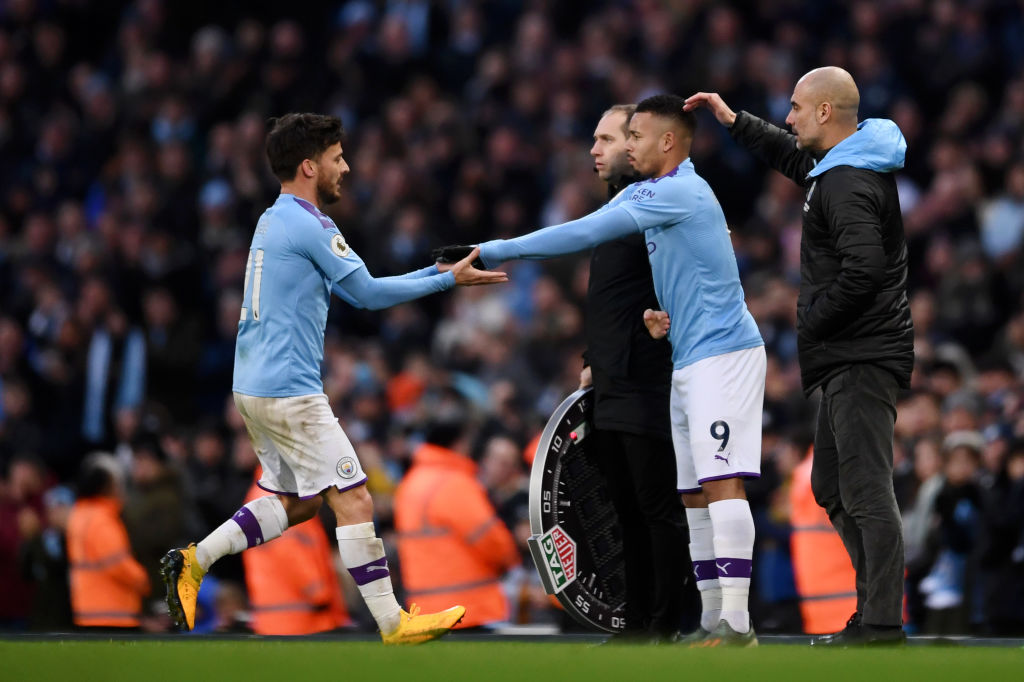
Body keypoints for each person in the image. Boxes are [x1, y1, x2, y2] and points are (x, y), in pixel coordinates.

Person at [161, 112, 508, 645]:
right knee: (355, 498)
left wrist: (439, 273)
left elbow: (357, 286)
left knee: (299, 501)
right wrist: (445, 285)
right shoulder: (311, 224)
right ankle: (394, 623)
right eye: (337, 158)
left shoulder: (272, 218)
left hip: (252, 385)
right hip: (289, 389)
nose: (345, 167)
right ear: (309, 165)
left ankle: (195, 558)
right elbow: (367, 296)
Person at [442, 94, 767, 646]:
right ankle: (715, 621)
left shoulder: (676, 190)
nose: (628, 146)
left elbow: (578, 233)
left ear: (667, 142)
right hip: (689, 357)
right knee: (691, 493)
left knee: (720, 482)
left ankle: (736, 623)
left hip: (724, 353)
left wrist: (491, 248)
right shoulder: (663, 196)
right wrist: (657, 315)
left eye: (635, 137)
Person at [685, 65, 913, 646]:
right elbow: (792, 156)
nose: (788, 117)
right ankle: (873, 613)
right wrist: (736, 122)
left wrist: (812, 317)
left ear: (825, 113)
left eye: (794, 107)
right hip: (849, 354)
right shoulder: (841, 166)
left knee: (864, 489)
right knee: (834, 486)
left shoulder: (847, 182)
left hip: (859, 355)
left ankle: (882, 622)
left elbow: (867, 270)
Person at [581, 104, 695, 641]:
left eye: (608, 139)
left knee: (656, 507)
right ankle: (636, 620)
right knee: (625, 507)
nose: (597, 150)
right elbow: (609, 300)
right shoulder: (616, 210)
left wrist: (664, 324)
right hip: (609, 381)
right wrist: (589, 360)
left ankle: (669, 621)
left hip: (647, 381)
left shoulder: (659, 207)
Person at [394, 395, 521, 629]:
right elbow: (494, 542)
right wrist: (512, 558)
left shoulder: (410, 483)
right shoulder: (454, 483)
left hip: (423, 608)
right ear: (459, 443)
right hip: (468, 609)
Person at [67, 454, 150, 629]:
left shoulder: (79, 514)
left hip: (87, 610)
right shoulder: (102, 519)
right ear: (107, 486)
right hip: (113, 612)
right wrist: (143, 580)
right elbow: (117, 563)